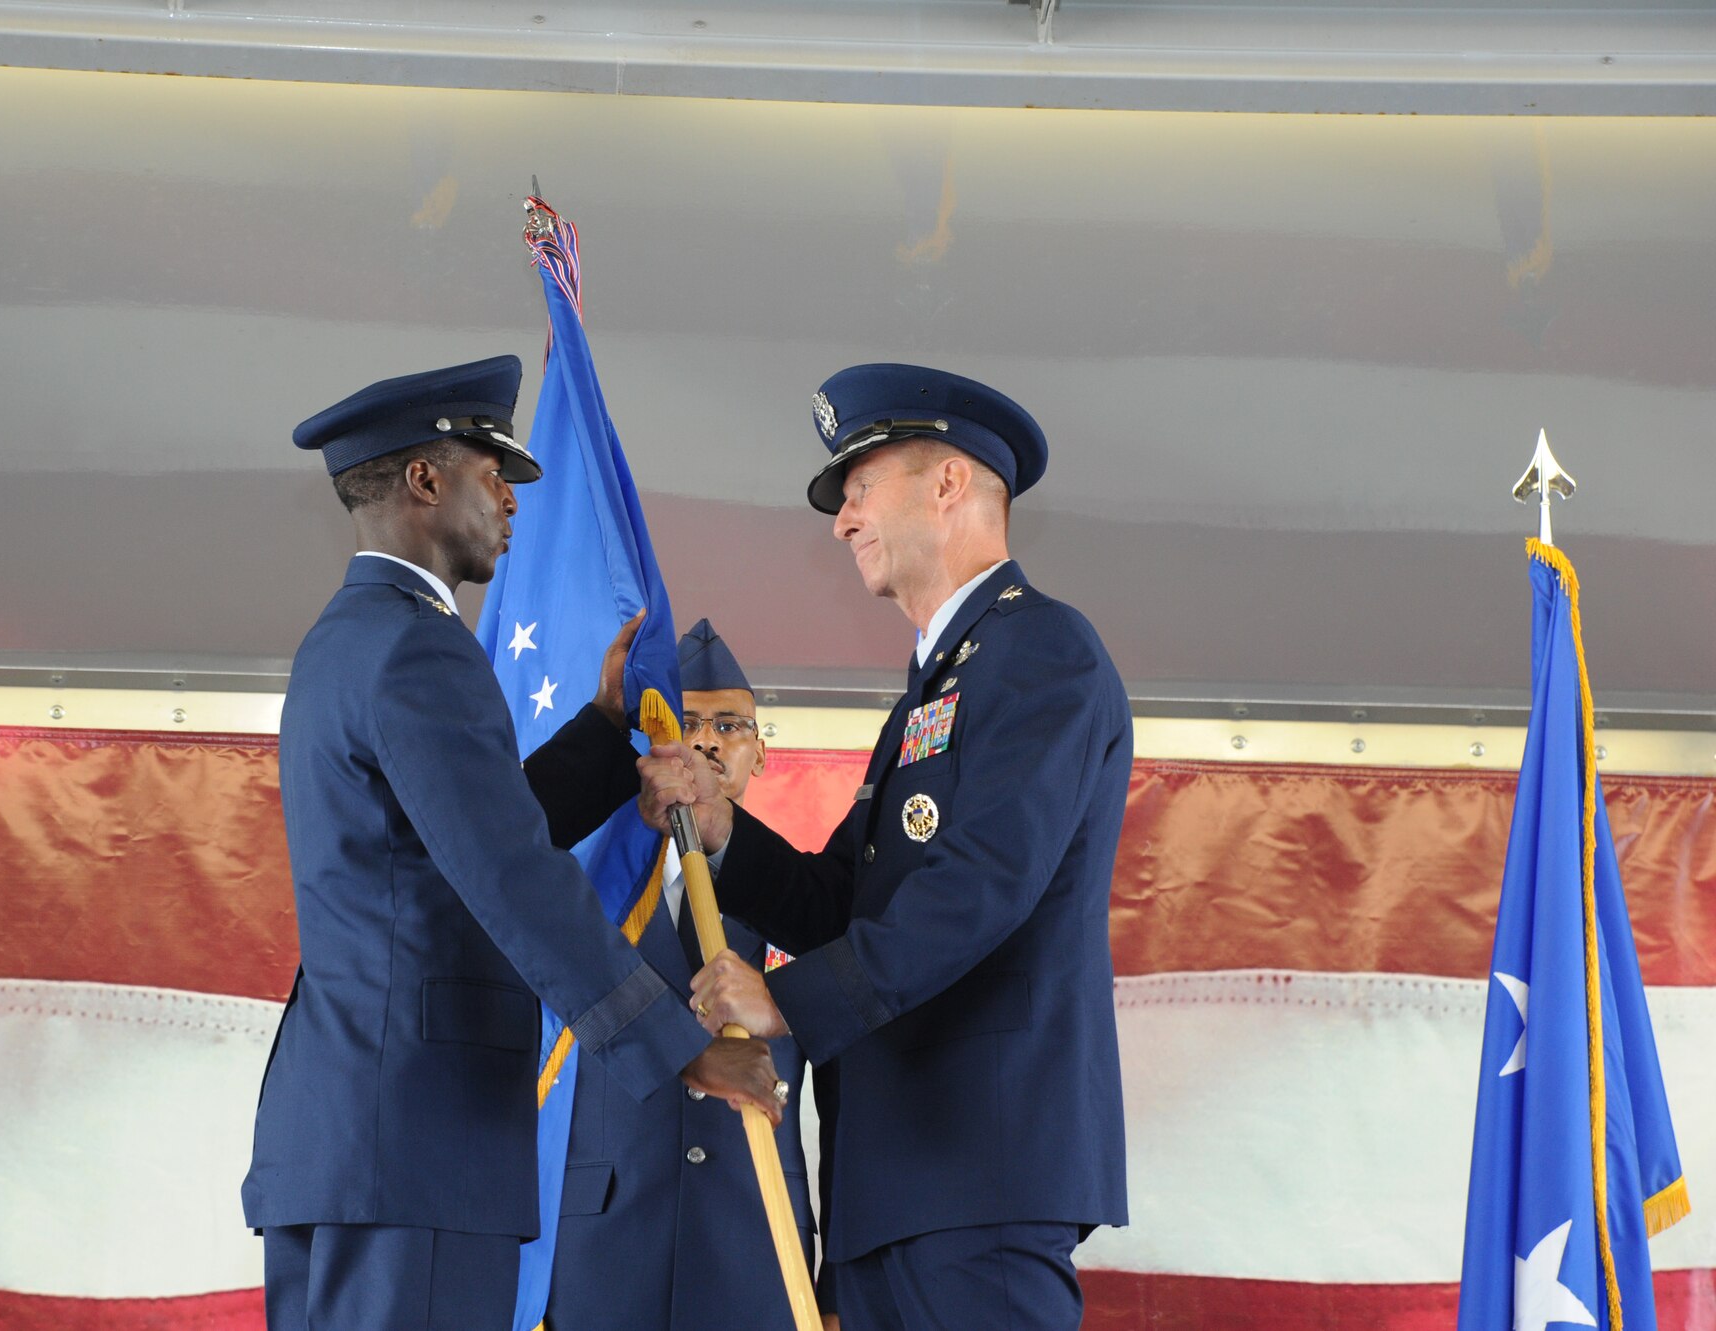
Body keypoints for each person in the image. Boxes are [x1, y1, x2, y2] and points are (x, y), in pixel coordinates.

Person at [243, 356, 785, 1331]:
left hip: (362, 1138)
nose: (508, 498)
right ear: (422, 480)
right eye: (489, 472)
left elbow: (458, 838)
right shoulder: (418, 646)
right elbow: (507, 871)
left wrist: (602, 725)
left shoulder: (348, 638)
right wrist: (678, 1052)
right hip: (416, 1143)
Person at [640, 363, 1133, 1331]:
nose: (840, 518)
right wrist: (718, 826)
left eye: (859, 485)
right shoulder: (932, 688)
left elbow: (979, 886)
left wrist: (785, 997)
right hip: (895, 1187)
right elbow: (841, 898)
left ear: (947, 483)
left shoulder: (1042, 654)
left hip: (974, 1179)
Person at [546, 619, 836, 1330]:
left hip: (759, 1240)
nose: (706, 740)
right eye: (690, 720)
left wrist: (835, 1293)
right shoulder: (589, 890)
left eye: (730, 724)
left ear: (762, 751)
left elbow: (846, 1089)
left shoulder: (811, 899)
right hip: (603, 1247)